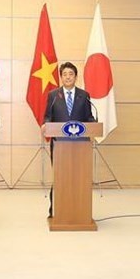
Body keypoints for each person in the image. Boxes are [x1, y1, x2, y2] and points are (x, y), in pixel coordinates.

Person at [42, 62, 95, 217]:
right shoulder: (53, 95)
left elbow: (89, 117)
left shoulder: (83, 95)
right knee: (60, 176)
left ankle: (81, 209)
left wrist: (93, 125)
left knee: (80, 177)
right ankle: (55, 211)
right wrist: (45, 124)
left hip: (80, 145)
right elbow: (48, 116)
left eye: (71, 74)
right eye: (64, 74)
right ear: (61, 77)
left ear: (76, 77)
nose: (67, 77)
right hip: (59, 144)